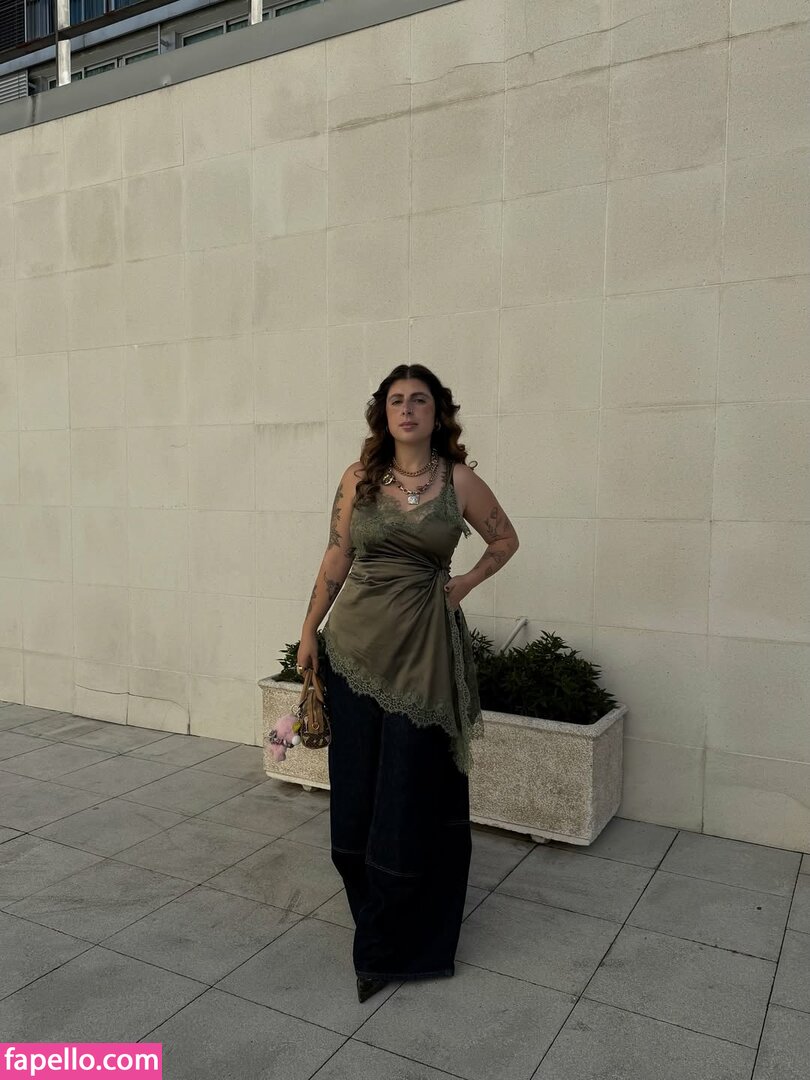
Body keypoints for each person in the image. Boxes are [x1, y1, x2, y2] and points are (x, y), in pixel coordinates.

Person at [296, 364, 519, 1003]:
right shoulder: (359, 478)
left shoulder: (459, 481)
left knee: (407, 798)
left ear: (437, 412)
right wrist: (309, 630)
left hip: (424, 659)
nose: (408, 409)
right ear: (383, 413)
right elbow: (337, 555)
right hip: (352, 651)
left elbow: (505, 539)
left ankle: (388, 948)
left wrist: (464, 584)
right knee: (355, 801)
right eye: (397, 400)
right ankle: (376, 920)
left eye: (419, 399)